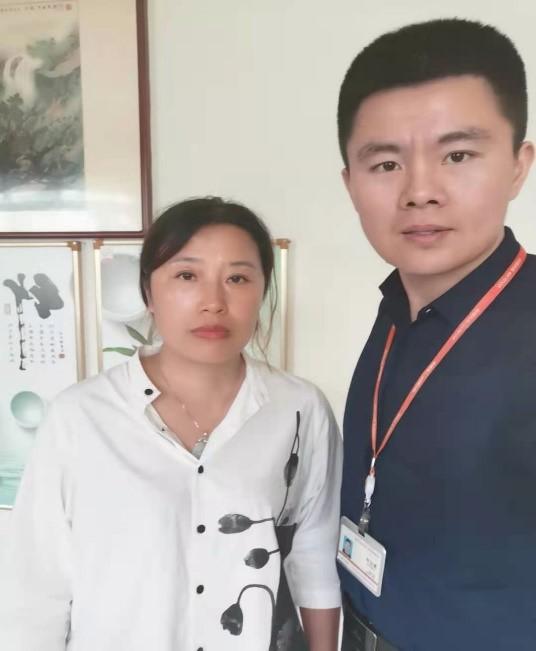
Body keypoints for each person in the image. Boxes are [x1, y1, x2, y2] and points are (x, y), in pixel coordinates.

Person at [0, 197, 342, 651]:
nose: (213, 303)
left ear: (262, 291)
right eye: (186, 276)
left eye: (237, 278)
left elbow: (314, 558)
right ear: (148, 292)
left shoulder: (299, 410)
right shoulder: (80, 416)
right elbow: (36, 587)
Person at [336, 18, 536, 651]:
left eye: (458, 155)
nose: (420, 192)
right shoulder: (397, 308)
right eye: (386, 163)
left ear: (519, 165)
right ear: (350, 183)